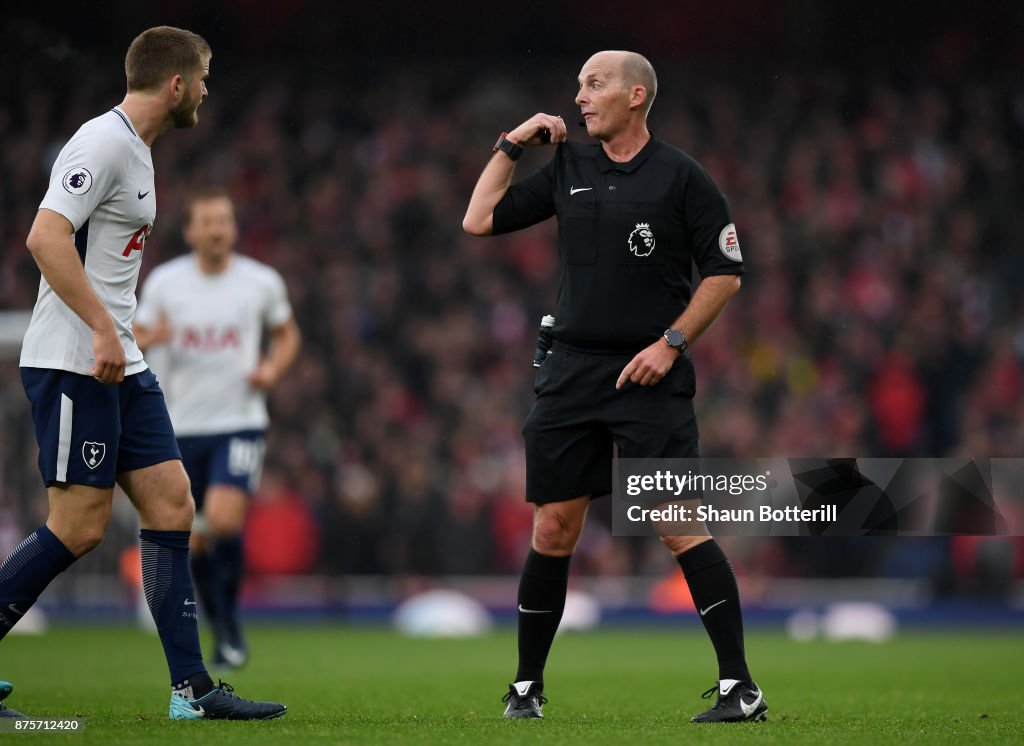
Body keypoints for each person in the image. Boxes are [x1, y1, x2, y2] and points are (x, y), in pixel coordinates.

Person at [463, 50, 765, 723]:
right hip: (570, 373)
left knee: (677, 523)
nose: (579, 98)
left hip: (649, 376)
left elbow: (725, 272)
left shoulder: (683, 178)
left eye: (594, 85)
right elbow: (478, 220)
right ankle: (526, 688)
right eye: (577, 86)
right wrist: (512, 144)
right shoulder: (569, 165)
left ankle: (739, 687)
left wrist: (672, 343)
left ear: (636, 95)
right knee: (554, 525)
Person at [0, 27, 285, 721]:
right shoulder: (102, 140)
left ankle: (192, 690)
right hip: (76, 362)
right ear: (178, 83)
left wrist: (117, 337)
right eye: (205, 78)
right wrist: (101, 326)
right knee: (78, 527)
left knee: (171, 506)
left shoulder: (139, 151)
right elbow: (44, 236)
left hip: (122, 362)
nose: (209, 91)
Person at [135, 188, 301, 670]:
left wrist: (271, 369)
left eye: (223, 220)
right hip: (180, 425)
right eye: (206, 221)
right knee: (197, 537)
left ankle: (229, 627)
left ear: (233, 227)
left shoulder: (260, 281)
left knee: (223, 520)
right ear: (189, 231)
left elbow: (287, 333)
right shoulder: (166, 283)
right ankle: (223, 627)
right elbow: (137, 335)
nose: (216, 229)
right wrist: (151, 335)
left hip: (239, 422)